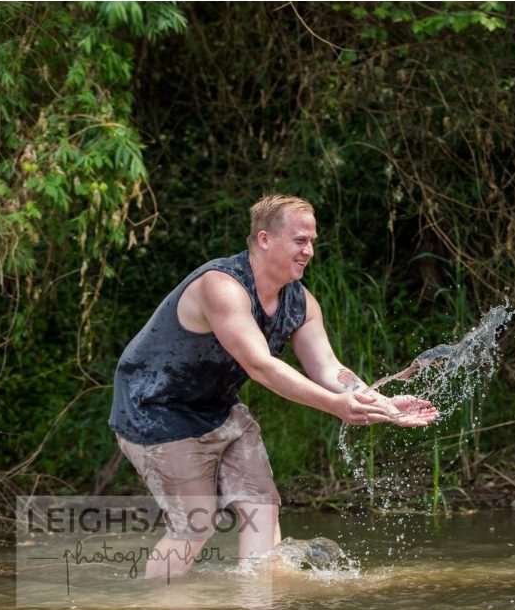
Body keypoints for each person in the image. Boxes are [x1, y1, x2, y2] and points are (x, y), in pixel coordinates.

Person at [109, 194, 437, 581]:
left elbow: (331, 369)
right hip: (153, 412)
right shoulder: (222, 286)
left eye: (313, 241)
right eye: (300, 240)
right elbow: (260, 365)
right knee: (196, 525)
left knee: (263, 509)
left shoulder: (300, 303)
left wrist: (382, 402)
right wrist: (336, 406)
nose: (309, 250)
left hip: (218, 409)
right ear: (265, 239)